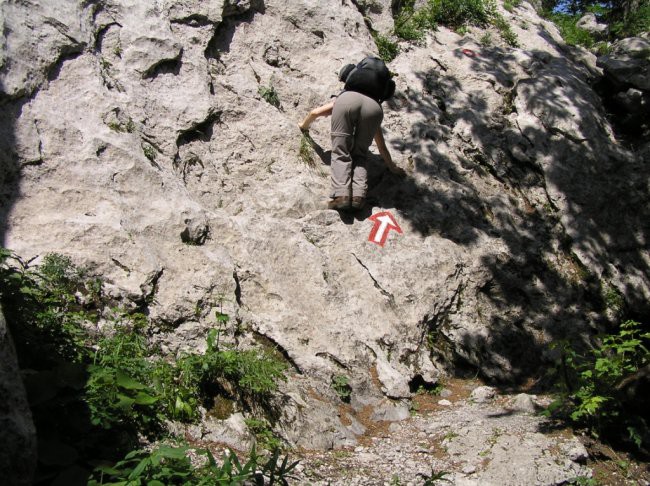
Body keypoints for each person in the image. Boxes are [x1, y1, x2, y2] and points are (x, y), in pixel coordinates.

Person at [299, 57, 405, 211]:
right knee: (360, 154)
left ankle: (341, 196)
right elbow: (381, 147)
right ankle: (358, 197)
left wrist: (303, 126)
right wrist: (393, 168)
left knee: (341, 150)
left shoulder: (347, 94)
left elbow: (315, 113)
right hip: (374, 110)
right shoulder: (375, 102)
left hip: (347, 102)